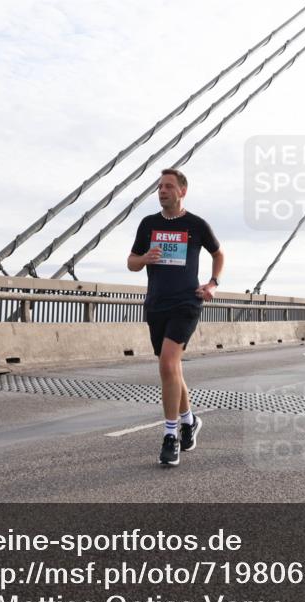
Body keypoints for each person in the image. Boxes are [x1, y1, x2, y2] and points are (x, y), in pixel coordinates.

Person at [128, 168, 224, 467]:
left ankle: (171, 436)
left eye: (168, 186)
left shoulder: (196, 225)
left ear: (182, 191)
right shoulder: (148, 224)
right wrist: (144, 259)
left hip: (187, 302)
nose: (162, 191)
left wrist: (212, 283)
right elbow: (131, 262)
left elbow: (218, 254)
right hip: (156, 304)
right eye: (159, 186)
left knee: (168, 363)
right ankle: (189, 420)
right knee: (172, 369)